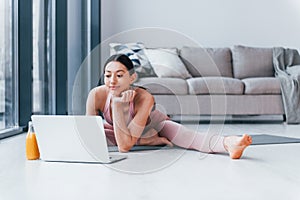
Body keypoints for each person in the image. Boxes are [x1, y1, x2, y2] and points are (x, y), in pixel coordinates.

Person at [86, 54, 252, 159]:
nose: (112, 81)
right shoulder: (97, 95)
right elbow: (90, 136)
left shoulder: (144, 98)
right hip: (122, 132)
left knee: (187, 136)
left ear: (132, 78)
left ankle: (229, 143)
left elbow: (124, 147)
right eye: (108, 76)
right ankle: (148, 141)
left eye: (119, 75)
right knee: (101, 137)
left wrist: (117, 105)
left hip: (152, 125)